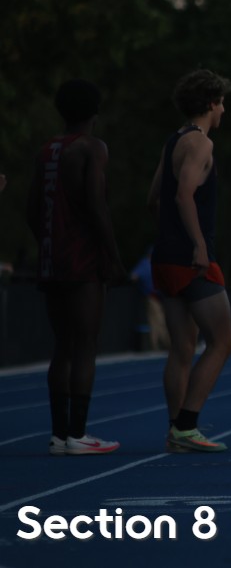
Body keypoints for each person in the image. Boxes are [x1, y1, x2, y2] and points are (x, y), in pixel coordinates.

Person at [26, 79, 127, 455]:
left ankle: (59, 435)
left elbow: (32, 209)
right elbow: (97, 205)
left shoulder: (47, 150)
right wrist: (113, 258)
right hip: (83, 259)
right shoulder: (92, 147)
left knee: (63, 346)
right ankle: (79, 434)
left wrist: (49, 241)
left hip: (52, 258)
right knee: (85, 344)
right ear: (95, 112)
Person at [147, 69, 231, 452]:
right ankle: (186, 425)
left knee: (182, 348)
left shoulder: (174, 141)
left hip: (165, 256)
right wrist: (198, 244)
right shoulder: (200, 143)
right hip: (191, 258)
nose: (224, 110)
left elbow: (153, 198)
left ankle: (175, 429)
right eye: (222, 103)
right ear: (211, 103)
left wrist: (170, 235)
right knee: (223, 342)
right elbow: (184, 194)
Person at [130, 247, 170, 352]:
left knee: (159, 321)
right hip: (152, 297)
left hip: (161, 297)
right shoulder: (145, 264)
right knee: (158, 321)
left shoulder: (155, 264)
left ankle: (159, 345)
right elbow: (133, 276)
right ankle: (161, 345)